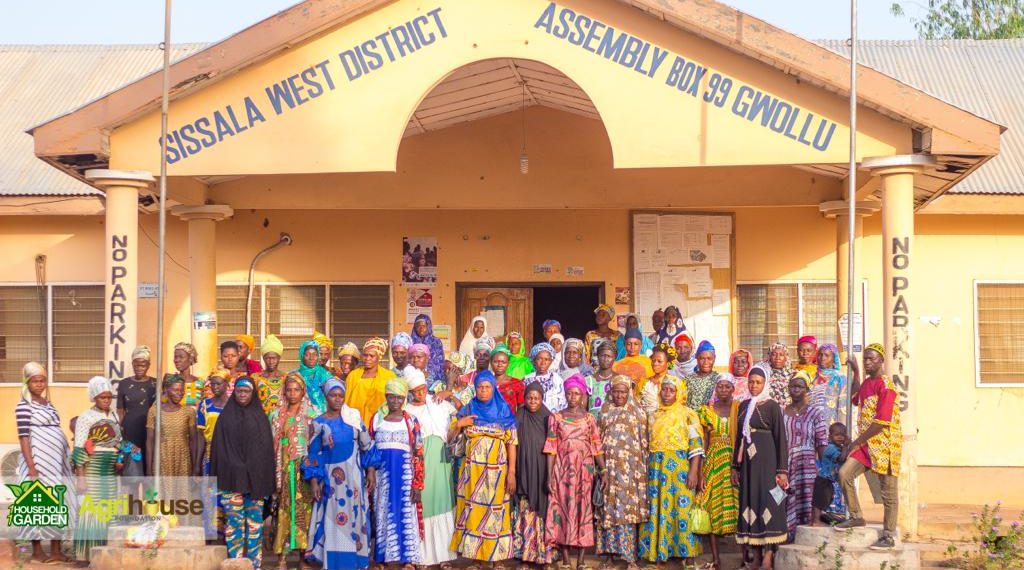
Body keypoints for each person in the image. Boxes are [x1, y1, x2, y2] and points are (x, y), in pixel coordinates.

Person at [834, 344, 902, 551]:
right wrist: (855, 372)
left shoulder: (886, 386)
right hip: (867, 444)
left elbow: (881, 422)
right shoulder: (866, 384)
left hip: (885, 444)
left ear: (881, 361)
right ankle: (856, 516)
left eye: (871, 359)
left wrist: (856, 442)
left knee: (889, 492)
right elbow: (855, 398)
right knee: (845, 473)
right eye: (865, 359)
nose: (867, 362)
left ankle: (888, 535)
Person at [305, 379, 375, 570]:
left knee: (354, 519)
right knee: (332, 520)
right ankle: (333, 563)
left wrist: (370, 471)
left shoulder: (353, 419)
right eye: (333, 395)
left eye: (340, 396)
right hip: (330, 484)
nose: (337, 399)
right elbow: (313, 454)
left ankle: (354, 562)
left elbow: (367, 445)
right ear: (326, 397)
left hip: (353, 482)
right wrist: (314, 480)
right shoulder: (318, 423)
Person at [449, 370, 518, 564]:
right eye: (480, 387)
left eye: (487, 387)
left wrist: (511, 472)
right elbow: (450, 438)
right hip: (473, 472)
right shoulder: (469, 407)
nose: (483, 391)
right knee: (474, 512)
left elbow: (512, 442)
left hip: (497, 472)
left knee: (496, 511)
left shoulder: (504, 410)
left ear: (493, 388)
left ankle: (497, 559)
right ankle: (476, 560)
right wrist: (459, 424)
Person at [210, 378, 276, 569]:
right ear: (234, 392)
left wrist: (254, 471)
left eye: (246, 392)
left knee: (255, 524)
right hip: (231, 479)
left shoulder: (260, 418)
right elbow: (219, 450)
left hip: (255, 482)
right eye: (239, 391)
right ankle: (236, 563)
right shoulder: (225, 418)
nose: (242, 395)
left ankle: (255, 564)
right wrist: (236, 466)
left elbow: (265, 453)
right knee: (234, 524)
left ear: (253, 393)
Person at [639, 376, 704, 566]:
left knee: (682, 510)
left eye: (671, 390)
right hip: (656, 470)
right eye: (664, 390)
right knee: (657, 509)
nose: (667, 394)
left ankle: (688, 555)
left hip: (680, 469)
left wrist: (694, 471)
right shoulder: (653, 415)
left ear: (679, 393)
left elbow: (696, 446)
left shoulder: (688, 414)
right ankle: (659, 553)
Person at [15, 363, 76, 564]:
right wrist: (32, 466)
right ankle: (37, 551)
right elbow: (24, 437)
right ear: (27, 382)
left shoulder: (48, 403)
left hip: (56, 464)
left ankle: (57, 550)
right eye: (35, 381)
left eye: (42, 380)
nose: (39, 384)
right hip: (38, 463)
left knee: (59, 501)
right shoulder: (23, 406)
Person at [544, 374, 605, 568]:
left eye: (576, 393)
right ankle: (565, 557)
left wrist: (603, 470)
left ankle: (580, 559)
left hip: (584, 471)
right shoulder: (556, 417)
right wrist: (549, 476)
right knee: (562, 510)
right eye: (569, 393)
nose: (572, 397)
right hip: (562, 470)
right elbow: (551, 447)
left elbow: (596, 446)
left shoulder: (589, 419)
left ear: (582, 395)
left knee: (583, 510)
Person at [733, 365, 790, 567]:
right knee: (751, 503)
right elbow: (739, 437)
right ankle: (756, 555)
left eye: (758, 382)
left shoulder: (772, 406)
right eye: (751, 381)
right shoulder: (743, 406)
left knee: (770, 503)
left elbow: (780, 438)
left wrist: (782, 470)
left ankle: (769, 554)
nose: (754, 385)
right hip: (749, 465)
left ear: (765, 383)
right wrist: (735, 467)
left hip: (768, 462)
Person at [404, 368, 458, 568]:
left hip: (441, 458)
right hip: (421, 460)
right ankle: (423, 557)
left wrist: (449, 390)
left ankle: (444, 556)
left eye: (422, 389)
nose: (420, 394)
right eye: (416, 390)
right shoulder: (407, 410)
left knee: (442, 502)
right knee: (423, 505)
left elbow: (459, 409)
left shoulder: (438, 403)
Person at [368, 378, 424, 568]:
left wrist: (417, 484)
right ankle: (383, 558)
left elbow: (418, 453)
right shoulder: (377, 419)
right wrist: (370, 474)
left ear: (404, 399)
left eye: (399, 398)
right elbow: (369, 449)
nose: (395, 402)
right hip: (382, 476)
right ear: (386, 397)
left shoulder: (411, 421)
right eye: (391, 397)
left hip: (405, 476)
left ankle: (408, 559)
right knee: (382, 514)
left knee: (406, 515)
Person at [596, 375, 648, 570]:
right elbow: (597, 441)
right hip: (608, 469)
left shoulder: (638, 413)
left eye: (623, 391)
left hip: (631, 471)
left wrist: (642, 470)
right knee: (608, 511)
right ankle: (609, 557)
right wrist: (600, 470)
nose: (619, 395)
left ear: (629, 392)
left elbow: (644, 443)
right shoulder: (604, 412)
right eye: (616, 391)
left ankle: (629, 558)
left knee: (627, 512)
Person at [269, 374, 318, 568]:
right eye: (288, 389)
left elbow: (315, 445)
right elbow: (272, 444)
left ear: (303, 391)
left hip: (303, 470)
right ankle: (282, 558)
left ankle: (301, 557)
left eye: (296, 390)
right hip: (282, 467)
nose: (292, 393)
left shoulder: (311, 415)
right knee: (283, 510)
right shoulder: (276, 414)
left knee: (303, 511)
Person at [72, 376, 120, 564]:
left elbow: (117, 442)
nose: (107, 401)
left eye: (109, 397)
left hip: (109, 471)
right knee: (91, 510)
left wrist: (119, 459)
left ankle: (103, 556)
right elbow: (79, 447)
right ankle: (85, 556)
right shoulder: (86, 417)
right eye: (102, 397)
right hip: (92, 469)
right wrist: (81, 477)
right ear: (94, 397)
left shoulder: (113, 415)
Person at [697, 377, 741, 569]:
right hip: (714, 461)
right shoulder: (707, 411)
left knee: (738, 505)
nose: (723, 389)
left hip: (733, 462)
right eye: (720, 386)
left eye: (727, 386)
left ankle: (745, 555)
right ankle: (716, 558)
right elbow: (704, 441)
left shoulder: (739, 409)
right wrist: (700, 471)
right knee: (711, 506)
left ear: (733, 388)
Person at [512, 383, 555, 567]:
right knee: (525, 510)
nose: (533, 401)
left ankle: (544, 556)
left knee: (542, 512)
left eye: (536, 398)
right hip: (523, 469)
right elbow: (513, 442)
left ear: (542, 398)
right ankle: (526, 555)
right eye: (529, 398)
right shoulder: (519, 415)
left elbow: (552, 448)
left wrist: (550, 475)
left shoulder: (548, 417)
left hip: (542, 470)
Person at [783, 371, 827, 541]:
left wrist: (825, 468)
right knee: (788, 500)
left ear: (807, 389)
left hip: (808, 465)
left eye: (800, 387)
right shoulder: (781, 412)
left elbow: (821, 441)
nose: (795, 390)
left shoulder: (816, 413)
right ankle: (789, 537)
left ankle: (806, 539)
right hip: (787, 464)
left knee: (808, 500)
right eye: (793, 386)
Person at [146, 374, 201, 479]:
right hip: (162, 458)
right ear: (166, 390)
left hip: (183, 459)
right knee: (162, 493)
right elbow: (150, 441)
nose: (180, 393)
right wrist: (149, 468)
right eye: (176, 390)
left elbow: (193, 441)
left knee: (181, 493)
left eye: (182, 390)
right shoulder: (154, 411)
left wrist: (195, 467)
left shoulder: (189, 412)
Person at [116, 346, 156, 477]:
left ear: (148, 365)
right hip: (130, 434)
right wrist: (119, 434)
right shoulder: (124, 384)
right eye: (136, 365)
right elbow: (120, 411)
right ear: (132, 364)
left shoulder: (155, 384)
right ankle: (132, 498)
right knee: (132, 472)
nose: (139, 368)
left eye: (143, 365)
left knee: (149, 471)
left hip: (149, 433)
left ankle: (148, 498)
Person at [345, 338, 397, 427]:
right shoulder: (353, 375)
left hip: (378, 424)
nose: (367, 358)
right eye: (365, 355)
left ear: (379, 357)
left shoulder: (389, 377)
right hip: (353, 423)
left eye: (371, 356)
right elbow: (346, 401)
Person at [812, 423, 848, 526]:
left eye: (843, 435)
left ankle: (819, 517)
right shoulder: (831, 448)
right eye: (837, 435)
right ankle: (816, 521)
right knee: (819, 500)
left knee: (828, 497)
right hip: (823, 479)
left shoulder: (839, 448)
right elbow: (841, 459)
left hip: (828, 479)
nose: (840, 437)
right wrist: (845, 446)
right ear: (830, 436)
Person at [197, 370, 231, 474]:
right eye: (213, 384)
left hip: (229, 452)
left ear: (226, 384)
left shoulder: (234, 405)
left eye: (218, 384)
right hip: (209, 453)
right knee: (210, 486)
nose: (215, 387)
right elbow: (200, 437)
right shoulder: (205, 405)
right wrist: (197, 462)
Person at [638, 343, 681, 415]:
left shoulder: (676, 383)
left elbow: (680, 406)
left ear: (668, 364)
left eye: (659, 361)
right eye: (653, 360)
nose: (655, 363)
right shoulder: (644, 382)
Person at [811, 343, 848, 427]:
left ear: (834, 358)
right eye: (820, 355)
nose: (823, 358)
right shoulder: (812, 377)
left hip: (831, 427)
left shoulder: (840, 379)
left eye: (827, 355)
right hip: (812, 426)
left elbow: (843, 407)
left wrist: (840, 429)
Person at [523, 342, 566, 413]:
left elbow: (563, 403)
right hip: (532, 419)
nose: (543, 362)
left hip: (552, 419)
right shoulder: (526, 379)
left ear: (551, 361)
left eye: (546, 359)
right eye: (539, 359)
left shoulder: (557, 379)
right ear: (534, 360)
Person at [294, 340, 332, 414]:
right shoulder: (295, 376)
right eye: (307, 354)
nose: (311, 358)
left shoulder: (326, 376)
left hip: (322, 417)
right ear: (302, 355)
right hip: (300, 417)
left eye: (314, 354)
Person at [253, 334, 286, 416]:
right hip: (261, 419)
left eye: (274, 358)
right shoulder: (255, 378)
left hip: (281, 419)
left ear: (279, 358)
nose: (271, 362)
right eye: (268, 358)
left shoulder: (286, 378)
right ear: (263, 358)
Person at [684, 340, 722, 410]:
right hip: (692, 418)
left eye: (709, 358)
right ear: (697, 359)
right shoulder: (688, 379)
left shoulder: (718, 379)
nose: (706, 362)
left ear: (714, 359)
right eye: (702, 359)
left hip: (712, 418)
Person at [411, 314, 446, 382]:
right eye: (418, 326)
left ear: (428, 326)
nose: (421, 328)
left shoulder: (436, 342)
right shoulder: (410, 342)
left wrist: (429, 374)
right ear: (415, 327)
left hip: (433, 379)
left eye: (424, 326)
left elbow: (439, 363)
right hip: (413, 378)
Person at [586, 340, 617, 416]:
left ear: (614, 358)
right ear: (598, 356)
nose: (605, 359)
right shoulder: (588, 381)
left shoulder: (619, 380)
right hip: (593, 424)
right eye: (602, 355)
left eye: (609, 356)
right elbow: (583, 407)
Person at [491, 346, 525, 413]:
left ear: (508, 364)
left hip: (510, 422)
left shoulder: (516, 383)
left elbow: (521, 406)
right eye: (496, 362)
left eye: (503, 362)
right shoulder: (486, 382)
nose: (499, 365)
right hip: (489, 422)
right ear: (491, 363)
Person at [174, 341, 205, 406]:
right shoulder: (171, 382)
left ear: (190, 359)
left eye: (181, 357)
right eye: (175, 357)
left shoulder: (201, 383)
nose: (177, 360)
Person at [765, 342, 794, 407]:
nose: (777, 357)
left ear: (786, 357)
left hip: (789, 413)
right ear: (769, 356)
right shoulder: (764, 374)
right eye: (774, 354)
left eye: (781, 355)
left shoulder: (793, 375)